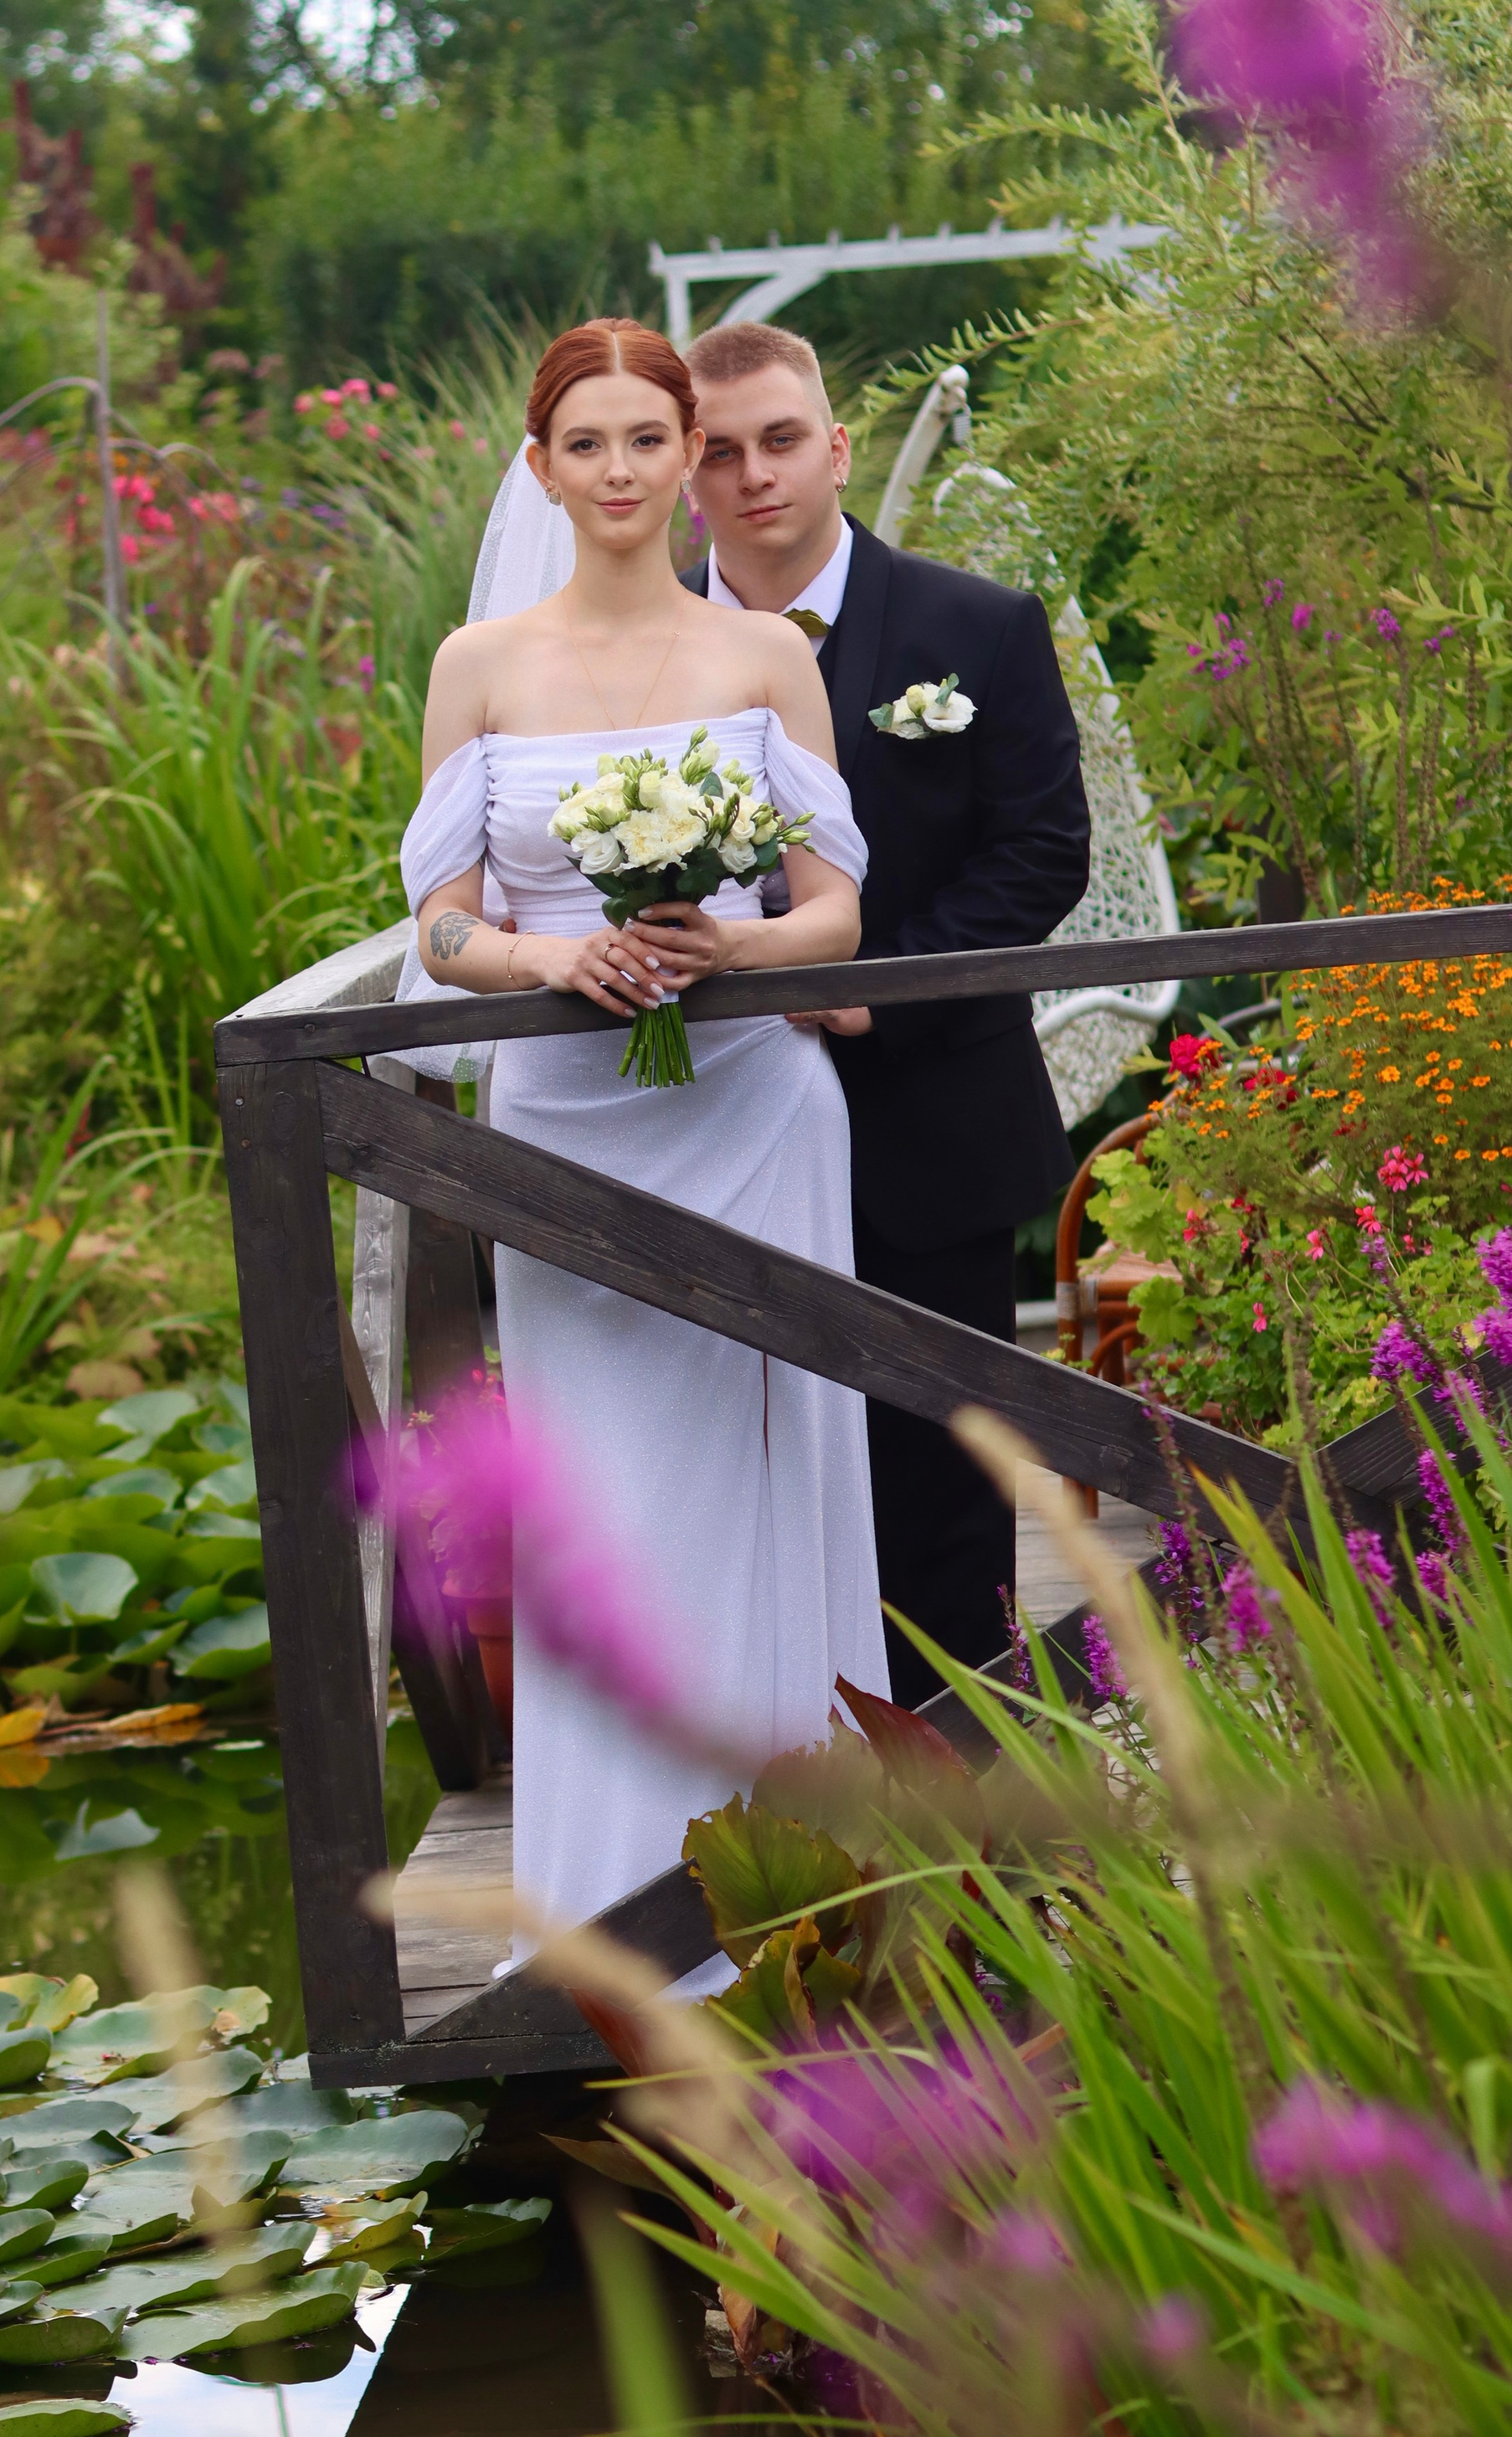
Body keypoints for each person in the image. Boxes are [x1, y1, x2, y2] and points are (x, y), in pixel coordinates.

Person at [393, 316, 890, 1977]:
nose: (618, 471)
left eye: (647, 440)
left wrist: (725, 946)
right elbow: (440, 929)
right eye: (585, 444)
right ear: (539, 468)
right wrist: (552, 958)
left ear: (690, 460)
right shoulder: (478, 666)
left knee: (765, 1474)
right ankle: (614, 1916)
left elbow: (833, 914)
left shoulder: (761, 658)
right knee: (604, 1504)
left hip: (751, 1112)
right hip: (562, 1136)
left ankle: (797, 1900)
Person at [680, 320, 1092, 1706]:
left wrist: (882, 989)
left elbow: (1043, 851)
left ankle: (971, 1807)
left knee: (944, 1497)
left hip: (927, 1128)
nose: (755, 475)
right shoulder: (640, 653)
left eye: (781, 440)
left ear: (837, 447)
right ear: (686, 473)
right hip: (701, 1136)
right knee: (736, 1488)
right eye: (720, 451)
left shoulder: (976, 628)